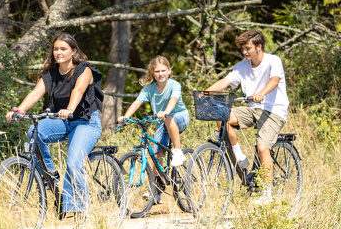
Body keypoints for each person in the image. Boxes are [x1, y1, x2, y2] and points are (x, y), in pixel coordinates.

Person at [6, 33, 103, 219]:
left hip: (86, 121)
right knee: (34, 130)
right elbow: (36, 93)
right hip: (63, 120)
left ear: (73, 51)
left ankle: (80, 210)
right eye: (56, 49)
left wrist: (69, 109)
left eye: (63, 49)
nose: (58, 52)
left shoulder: (85, 69)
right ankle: (49, 173)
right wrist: (19, 111)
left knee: (74, 164)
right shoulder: (50, 73)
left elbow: (79, 90)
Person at [206, 29, 289, 205]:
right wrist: (206, 92)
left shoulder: (273, 61)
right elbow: (225, 82)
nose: (245, 52)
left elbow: (274, 80)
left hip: (274, 110)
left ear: (259, 46)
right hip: (252, 109)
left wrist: (261, 93)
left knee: (262, 147)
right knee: (221, 115)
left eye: (248, 48)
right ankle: (240, 156)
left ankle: (266, 194)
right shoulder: (242, 66)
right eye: (243, 48)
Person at [117, 56, 190, 169]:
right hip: (162, 122)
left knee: (168, 118)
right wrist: (125, 117)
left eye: (163, 70)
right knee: (157, 155)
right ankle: (156, 183)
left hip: (179, 118)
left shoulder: (174, 85)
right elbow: (137, 103)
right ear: (153, 73)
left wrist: (166, 112)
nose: (160, 74)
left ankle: (177, 151)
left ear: (169, 71)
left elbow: (173, 99)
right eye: (157, 71)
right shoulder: (149, 88)